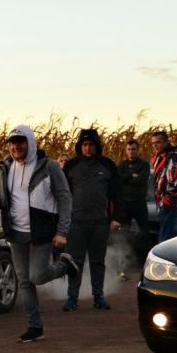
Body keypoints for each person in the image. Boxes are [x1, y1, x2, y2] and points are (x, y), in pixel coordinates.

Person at [0, 125, 76, 342]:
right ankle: (35, 328)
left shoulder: (49, 166)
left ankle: (65, 265)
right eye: (12, 143)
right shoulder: (6, 167)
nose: (16, 147)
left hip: (42, 232)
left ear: (30, 142)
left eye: (20, 142)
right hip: (16, 232)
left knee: (37, 276)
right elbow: (2, 201)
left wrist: (62, 231)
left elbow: (64, 198)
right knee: (24, 281)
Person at [62, 129, 125, 311]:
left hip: (100, 223)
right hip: (76, 222)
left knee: (98, 262)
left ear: (97, 146)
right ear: (80, 147)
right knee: (75, 262)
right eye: (84, 145)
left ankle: (98, 297)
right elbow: (63, 196)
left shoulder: (107, 165)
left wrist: (116, 218)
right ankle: (72, 298)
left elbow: (118, 194)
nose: (88, 148)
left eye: (91, 145)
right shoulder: (71, 166)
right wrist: (62, 221)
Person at [150, 131, 177, 243]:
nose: (155, 145)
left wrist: (166, 203)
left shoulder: (174, 158)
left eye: (158, 142)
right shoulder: (159, 158)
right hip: (164, 205)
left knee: (166, 241)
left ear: (166, 142)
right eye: (153, 143)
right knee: (165, 238)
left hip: (173, 206)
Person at [117, 139, 150, 263]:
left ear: (138, 150)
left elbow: (141, 180)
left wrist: (127, 177)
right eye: (129, 149)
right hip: (125, 203)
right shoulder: (122, 165)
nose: (131, 152)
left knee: (144, 231)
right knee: (124, 232)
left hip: (139, 202)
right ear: (126, 151)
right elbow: (118, 180)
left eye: (134, 149)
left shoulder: (144, 165)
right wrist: (132, 175)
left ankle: (146, 259)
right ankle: (124, 260)